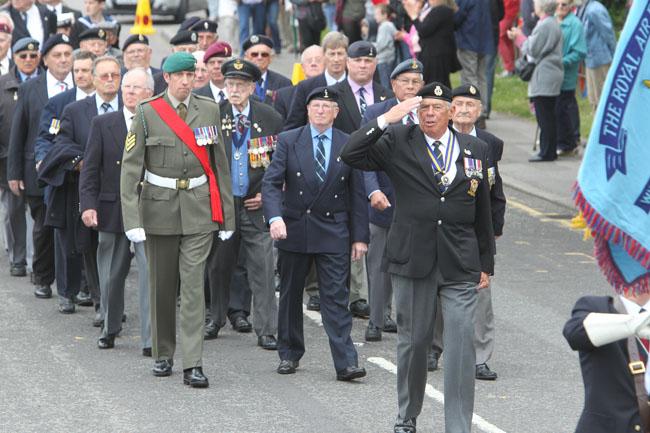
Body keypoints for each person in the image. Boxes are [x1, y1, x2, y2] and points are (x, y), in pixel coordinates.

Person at [341, 82, 494, 433]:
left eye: (436, 108)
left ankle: (458, 425)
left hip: (459, 261)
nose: (428, 113)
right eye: (423, 107)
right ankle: (407, 414)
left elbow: (482, 209)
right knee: (414, 341)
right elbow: (351, 153)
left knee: (459, 345)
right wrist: (386, 120)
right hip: (413, 259)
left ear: (451, 112)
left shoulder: (475, 148)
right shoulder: (399, 140)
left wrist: (486, 264)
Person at [120, 52, 235, 388]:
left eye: (191, 74)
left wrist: (227, 216)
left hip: (199, 208)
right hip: (158, 208)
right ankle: (163, 352)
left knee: (193, 284)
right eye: (180, 75)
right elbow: (130, 169)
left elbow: (219, 165)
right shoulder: (146, 112)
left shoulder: (210, 109)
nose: (187, 81)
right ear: (166, 78)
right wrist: (132, 219)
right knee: (162, 284)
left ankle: (193, 363)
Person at [262, 86, 369, 381]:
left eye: (327, 106)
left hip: (333, 228)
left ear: (336, 112)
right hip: (294, 227)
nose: (321, 110)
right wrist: (274, 217)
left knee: (335, 298)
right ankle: (289, 353)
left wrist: (360, 237)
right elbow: (271, 183)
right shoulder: (288, 140)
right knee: (291, 294)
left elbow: (357, 193)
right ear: (307, 111)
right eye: (316, 106)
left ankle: (346, 362)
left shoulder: (348, 143)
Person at [429, 83, 506, 379]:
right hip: (440, 225)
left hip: (475, 228)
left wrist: (494, 227)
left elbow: (494, 187)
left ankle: (480, 357)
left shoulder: (490, 144)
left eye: (470, 105)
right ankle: (433, 349)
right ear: (449, 109)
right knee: (436, 289)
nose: (463, 110)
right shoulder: (435, 137)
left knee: (481, 292)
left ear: (480, 111)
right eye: (458, 104)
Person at [204, 58, 282, 347]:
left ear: (252, 87)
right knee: (218, 265)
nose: (234, 89)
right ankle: (215, 317)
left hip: (257, 203)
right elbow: (205, 161)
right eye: (230, 84)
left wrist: (269, 195)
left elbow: (279, 164)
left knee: (262, 267)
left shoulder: (270, 117)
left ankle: (267, 329)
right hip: (223, 205)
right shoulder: (213, 114)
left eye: (240, 85)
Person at [38, 55, 121, 314]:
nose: (109, 81)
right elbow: (62, 144)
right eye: (104, 76)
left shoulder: (131, 107)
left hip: (120, 190)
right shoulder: (75, 110)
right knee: (86, 245)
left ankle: (109, 303)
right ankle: (98, 302)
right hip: (83, 188)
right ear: (94, 80)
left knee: (118, 251)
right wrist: (82, 161)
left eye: (114, 76)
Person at [79, 67, 153, 354]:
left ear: (149, 92)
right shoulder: (103, 123)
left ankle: (149, 339)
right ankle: (109, 326)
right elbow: (90, 170)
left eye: (136, 88)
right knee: (111, 274)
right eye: (126, 87)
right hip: (112, 209)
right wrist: (88, 205)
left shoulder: (155, 123)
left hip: (148, 211)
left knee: (150, 277)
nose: (130, 92)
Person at [360, 58, 425, 342]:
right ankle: (376, 319)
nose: (410, 87)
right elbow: (365, 155)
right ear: (393, 85)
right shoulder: (377, 112)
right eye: (405, 82)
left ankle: (406, 322)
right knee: (379, 265)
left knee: (412, 266)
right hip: (384, 200)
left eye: (416, 82)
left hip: (418, 204)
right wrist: (373, 191)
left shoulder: (431, 112)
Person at [7, 33, 73, 300]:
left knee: (70, 226)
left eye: (67, 54)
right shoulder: (31, 88)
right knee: (43, 225)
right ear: (45, 60)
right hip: (37, 169)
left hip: (70, 169)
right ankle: (44, 278)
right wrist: (13, 173)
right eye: (57, 55)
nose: (63, 60)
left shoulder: (80, 85)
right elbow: (18, 132)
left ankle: (74, 283)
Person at [0, 37, 41, 279]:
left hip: (38, 159)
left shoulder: (45, 83)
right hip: (8, 159)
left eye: (33, 56)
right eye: (23, 56)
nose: (28, 60)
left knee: (40, 214)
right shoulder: (3, 84)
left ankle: (39, 262)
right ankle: (18, 259)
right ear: (14, 57)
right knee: (14, 212)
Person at [508, 0, 563, 162]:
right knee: (547, 114)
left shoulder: (545, 24)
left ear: (542, 6)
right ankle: (548, 150)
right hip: (550, 73)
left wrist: (519, 38)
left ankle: (546, 152)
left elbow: (533, 48)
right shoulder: (550, 23)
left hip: (545, 74)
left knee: (544, 115)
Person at [284, 31, 348, 131]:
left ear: (347, 56)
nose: (336, 59)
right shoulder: (307, 87)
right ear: (324, 56)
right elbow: (294, 125)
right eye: (332, 54)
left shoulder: (355, 84)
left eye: (340, 54)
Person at [454, 0, 496, 125]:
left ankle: (473, 111)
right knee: (482, 77)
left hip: (468, 39)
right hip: (485, 40)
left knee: (469, 76)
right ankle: (482, 111)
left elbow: (457, 17)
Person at [403, 0, 460, 88]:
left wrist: (413, 16)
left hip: (436, 55)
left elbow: (423, 30)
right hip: (435, 53)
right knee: (438, 84)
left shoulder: (440, 10)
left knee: (436, 85)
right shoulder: (439, 10)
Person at [555, 0, 586, 156]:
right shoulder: (552, 19)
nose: (560, 7)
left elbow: (579, 51)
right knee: (555, 107)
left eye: (564, 4)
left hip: (566, 73)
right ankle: (559, 139)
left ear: (571, 6)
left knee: (566, 106)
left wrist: (561, 62)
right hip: (551, 75)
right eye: (558, 3)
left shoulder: (575, 24)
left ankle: (571, 140)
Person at [576, 0, 616, 111]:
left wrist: (615, 55)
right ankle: (596, 126)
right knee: (593, 99)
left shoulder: (595, 10)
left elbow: (608, 34)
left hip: (600, 61)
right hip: (590, 60)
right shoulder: (585, 7)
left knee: (602, 99)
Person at [273, 45, 325, 119]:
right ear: (302, 67)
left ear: (326, 65)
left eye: (318, 60)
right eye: (309, 61)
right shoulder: (283, 96)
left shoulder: (334, 92)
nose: (313, 63)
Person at [242, 34, 292, 105]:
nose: (259, 58)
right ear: (246, 58)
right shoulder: (237, 82)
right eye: (254, 54)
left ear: (271, 58)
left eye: (264, 54)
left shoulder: (284, 83)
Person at [373, 3, 397, 89]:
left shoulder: (384, 26)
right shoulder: (389, 25)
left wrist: (372, 47)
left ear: (385, 15)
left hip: (384, 59)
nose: (375, 17)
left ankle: (387, 100)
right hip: (388, 58)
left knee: (385, 83)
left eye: (377, 14)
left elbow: (381, 44)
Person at [498, 0, 520, 77]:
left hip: (507, 10)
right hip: (511, 10)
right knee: (506, 38)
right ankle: (512, 67)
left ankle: (509, 68)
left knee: (499, 37)